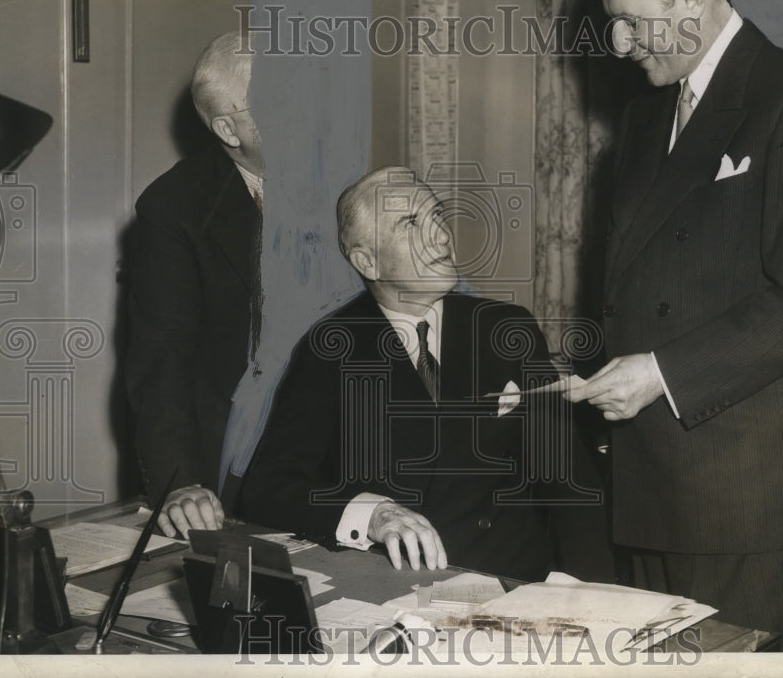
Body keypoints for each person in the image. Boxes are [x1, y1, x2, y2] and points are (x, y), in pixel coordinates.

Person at [567, 0, 783, 650]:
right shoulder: (643, 120)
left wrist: (659, 372)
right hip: (648, 483)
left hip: (745, 499)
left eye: (634, 20)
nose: (619, 42)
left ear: (692, 0)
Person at [241, 167, 612, 582]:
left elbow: (569, 482)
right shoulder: (331, 347)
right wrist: (373, 513)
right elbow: (268, 487)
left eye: (437, 216)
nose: (440, 235)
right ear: (369, 261)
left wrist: (593, 595)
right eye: (411, 223)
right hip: (397, 586)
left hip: (510, 581)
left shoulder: (507, 329)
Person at [126, 31, 263, 538]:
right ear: (229, 129)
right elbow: (161, 358)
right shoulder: (173, 207)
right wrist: (179, 482)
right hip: (233, 462)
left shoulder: (345, 179)